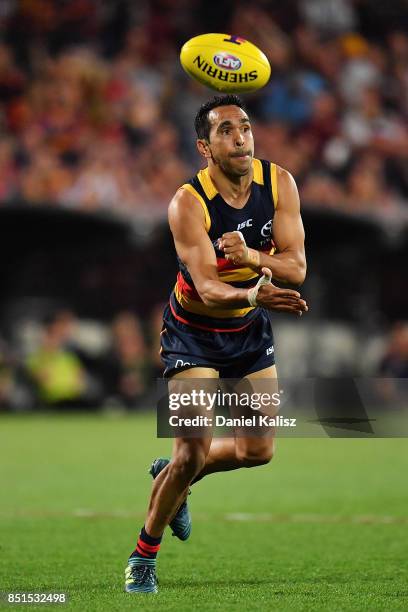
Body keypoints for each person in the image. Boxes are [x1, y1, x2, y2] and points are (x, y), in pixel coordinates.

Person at [124, 94, 308, 593]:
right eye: (226, 131)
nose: (240, 138)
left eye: (245, 127)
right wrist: (256, 287)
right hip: (193, 335)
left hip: (247, 333)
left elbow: (297, 268)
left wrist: (251, 255)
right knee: (190, 451)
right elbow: (206, 286)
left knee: (257, 452)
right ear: (205, 147)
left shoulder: (280, 183)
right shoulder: (188, 202)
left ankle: (178, 478)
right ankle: (143, 556)